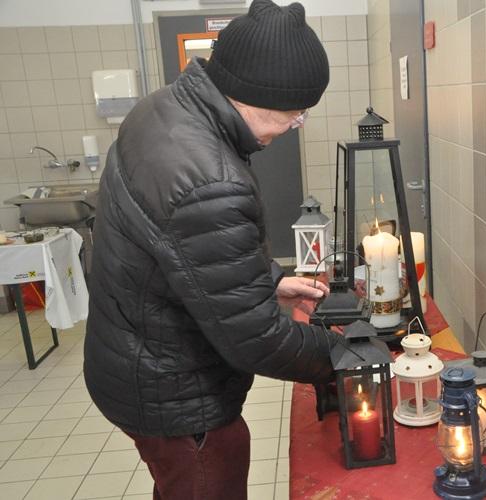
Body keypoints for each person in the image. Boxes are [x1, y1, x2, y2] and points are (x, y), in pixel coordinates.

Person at [83, 1, 339, 498]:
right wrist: (345, 353)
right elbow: (257, 338)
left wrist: (266, 279)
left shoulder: (162, 109)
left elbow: (179, 246)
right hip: (175, 394)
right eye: (295, 114)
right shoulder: (209, 178)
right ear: (257, 97)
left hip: (133, 360)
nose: (297, 124)